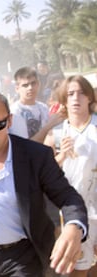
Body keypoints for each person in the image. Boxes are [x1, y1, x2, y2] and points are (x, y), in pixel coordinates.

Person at [0, 92, 88, 276]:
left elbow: (68, 196)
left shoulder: (35, 156)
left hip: (23, 256)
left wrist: (74, 227)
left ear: (9, 121)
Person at [44, 75, 97, 277]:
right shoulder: (55, 134)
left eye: (81, 93)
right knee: (77, 268)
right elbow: (43, 175)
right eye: (70, 94)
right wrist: (61, 156)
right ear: (63, 100)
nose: (76, 98)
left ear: (90, 97)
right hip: (74, 213)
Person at [11, 67, 64, 142]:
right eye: (25, 85)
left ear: (38, 84)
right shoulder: (15, 112)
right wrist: (49, 125)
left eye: (33, 83)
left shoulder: (43, 108)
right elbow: (25, 146)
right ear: (17, 88)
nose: (30, 88)